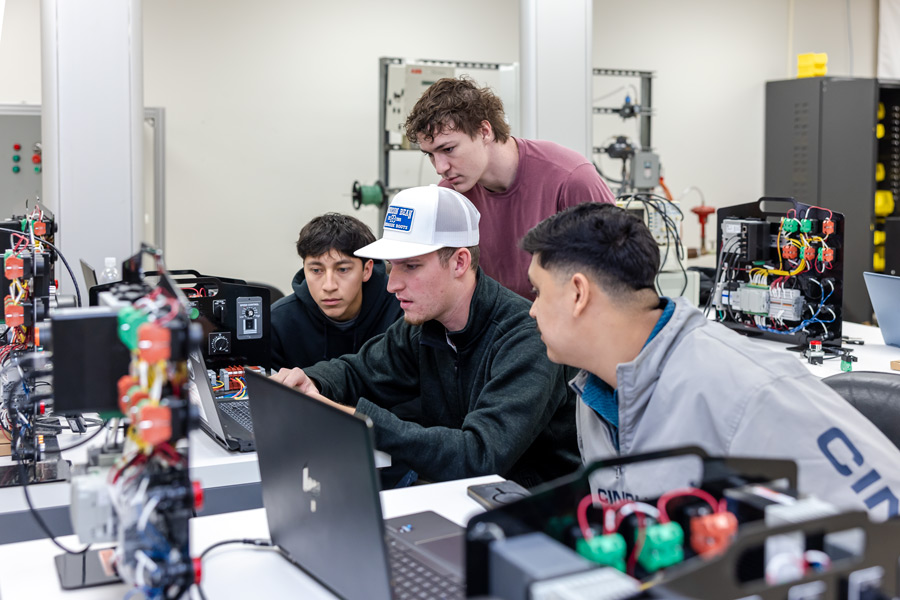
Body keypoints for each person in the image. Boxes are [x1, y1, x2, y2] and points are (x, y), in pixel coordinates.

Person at [521, 202, 900, 520]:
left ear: (578, 294)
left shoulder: (748, 390)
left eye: (537, 292)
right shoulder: (596, 390)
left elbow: (887, 517)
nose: (531, 310)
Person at [273, 185, 579, 487]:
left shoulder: (526, 339)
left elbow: (479, 457)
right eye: (392, 267)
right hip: (454, 496)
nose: (392, 284)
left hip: (533, 512)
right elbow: (359, 371)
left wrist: (359, 420)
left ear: (460, 262)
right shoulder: (424, 325)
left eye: (411, 266)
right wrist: (310, 381)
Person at [404, 76, 615, 300]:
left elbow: (618, 275)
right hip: (496, 327)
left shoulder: (571, 179)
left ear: (485, 131)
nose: (440, 167)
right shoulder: (451, 195)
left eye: (448, 149)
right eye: (430, 155)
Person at [270, 213, 402, 370]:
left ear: (366, 270)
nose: (329, 285)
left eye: (343, 269)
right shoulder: (277, 322)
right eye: (316, 270)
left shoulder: (403, 310)